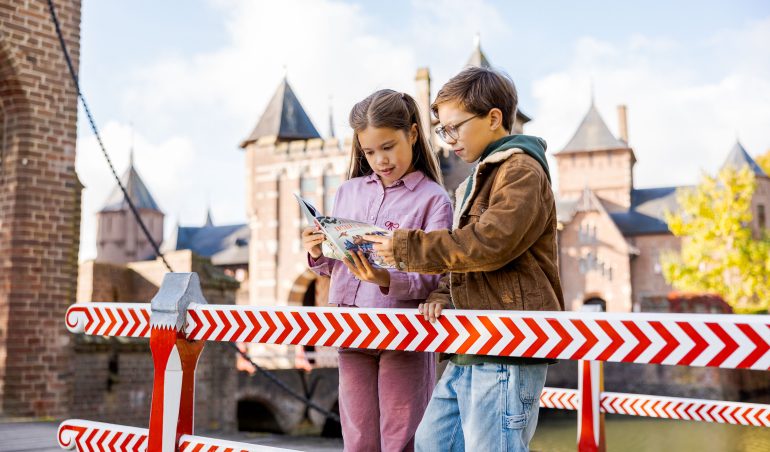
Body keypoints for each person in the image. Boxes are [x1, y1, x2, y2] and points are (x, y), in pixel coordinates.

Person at [366, 67, 565, 452]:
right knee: (431, 444)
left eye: (454, 127)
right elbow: (467, 260)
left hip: (507, 347)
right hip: (469, 347)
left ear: (493, 118)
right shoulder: (478, 178)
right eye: (443, 130)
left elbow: (490, 244)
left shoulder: (521, 171)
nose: (448, 138)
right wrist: (443, 296)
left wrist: (408, 249)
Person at [302, 89, 452, 452]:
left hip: (403, 332)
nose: (380, 160)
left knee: (401, 438)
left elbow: (434, 276)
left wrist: (385, 278)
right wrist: (317, 250)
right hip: (350, 329)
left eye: (388, 147)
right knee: (357, 438)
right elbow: (333, 265)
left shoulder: (434, 199)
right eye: (369, 152)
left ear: (413, 135)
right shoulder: (348, 191)